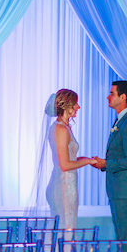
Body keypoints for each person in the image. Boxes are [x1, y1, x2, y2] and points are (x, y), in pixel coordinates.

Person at [93, 80, 127, 251]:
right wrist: (103, 164)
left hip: (126, 190)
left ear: (123, 97)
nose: (108, 97)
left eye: (112, 93)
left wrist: (106, 163)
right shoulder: (121, 121)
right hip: (119, 189)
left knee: (126, 238)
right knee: (122, 236)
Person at [45, 88, 97, 230]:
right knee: (65, 228)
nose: (78, 107)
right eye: (75, 104)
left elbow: (70, 157)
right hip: (63, 186)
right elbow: (65, 165)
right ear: (67, 105)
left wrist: (87, 158)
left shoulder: (65, 127)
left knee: (67, 227)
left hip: (67, 184)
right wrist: (88, 162)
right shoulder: (60, 129)